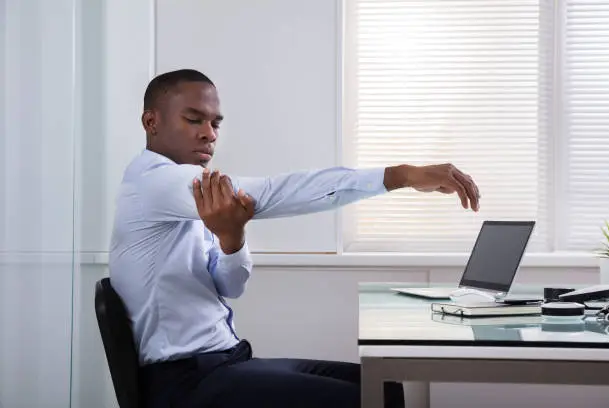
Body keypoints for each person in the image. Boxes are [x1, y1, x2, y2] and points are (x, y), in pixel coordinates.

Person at [109, 69, 480, 408]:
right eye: (194, 119)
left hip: (227, 360)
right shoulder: (155, 183)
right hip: (187, 382)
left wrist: (231, 238)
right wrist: (400, 176)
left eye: (215, 122)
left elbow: (230, 285)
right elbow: (272, 192)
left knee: (384, 388)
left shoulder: (190, 196)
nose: (209, 133)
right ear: (151, 122)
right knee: (364, 399)